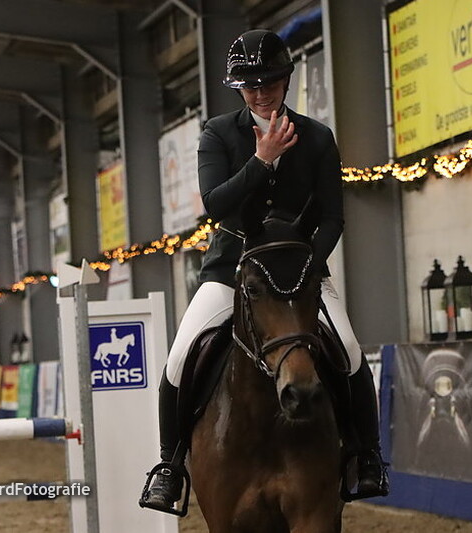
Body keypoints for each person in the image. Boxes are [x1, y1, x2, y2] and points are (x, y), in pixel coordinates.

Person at [141, 29, 388, 513]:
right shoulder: (217, 133)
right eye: (250, 85)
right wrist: (262, 160)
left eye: (269, 81)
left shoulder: (317, 137)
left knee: (352, 351)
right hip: (230, 271)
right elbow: (216, 204)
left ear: (286, 78)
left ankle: (367, 456)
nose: (260, 92)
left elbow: (334, 216)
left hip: (302, 273)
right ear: (239, 88)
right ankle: (169, 466)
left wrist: (310, 271)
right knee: (177, 359)